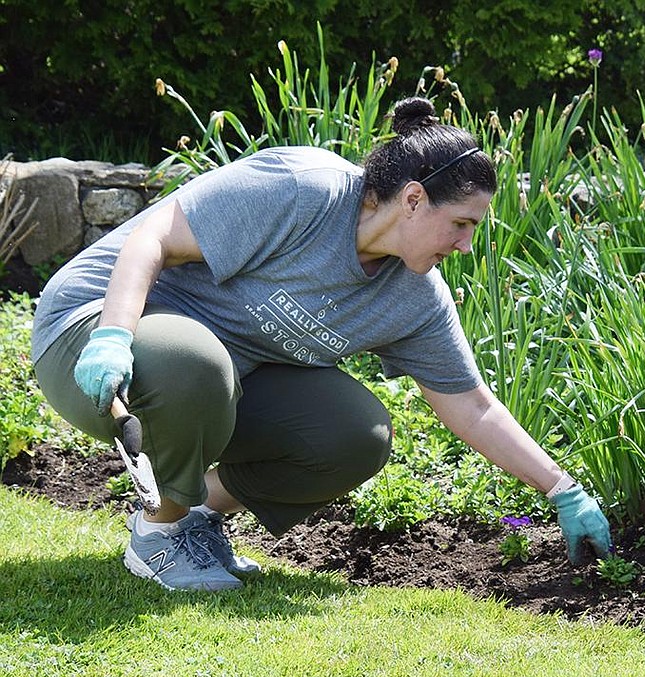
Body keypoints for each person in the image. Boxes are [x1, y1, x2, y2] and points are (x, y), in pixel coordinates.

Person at [31, 97, 612, 591]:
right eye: (460, 223)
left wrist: (563, 489)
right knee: (195, 360)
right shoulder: (304, 190)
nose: (464, 245)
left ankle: (194, 517)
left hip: (212, 377)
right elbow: (151, 238)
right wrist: (112, 336)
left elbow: (473, 405)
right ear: (412, 199)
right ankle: (157, 537)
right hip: (93, 336)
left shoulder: (412, 294)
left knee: (355, 434)